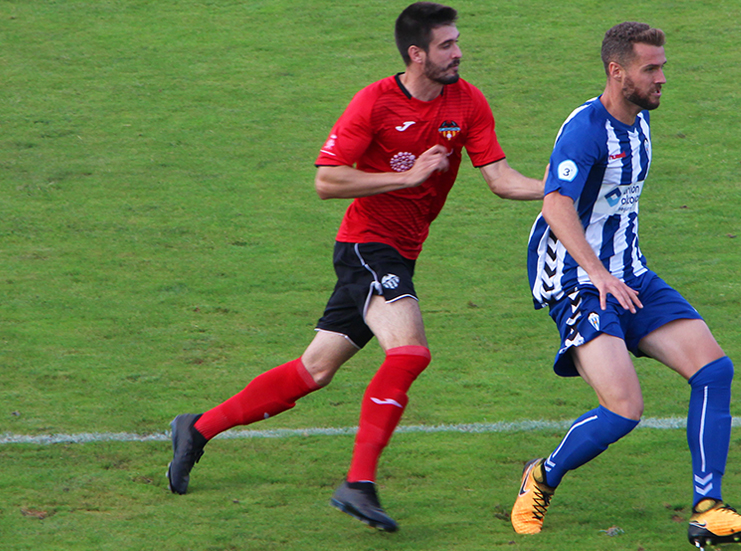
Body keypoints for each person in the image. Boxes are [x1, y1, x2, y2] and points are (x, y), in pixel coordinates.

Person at [166, 2, 543, 533]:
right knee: (409, 351)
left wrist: (562, 185)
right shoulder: (375, 103)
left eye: (458, 42)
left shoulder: (468, 101)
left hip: (401, 252)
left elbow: (501, 179)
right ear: (417, 54)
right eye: (446, 45)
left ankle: (197, 429)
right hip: (368, 245)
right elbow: (327, 180)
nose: (459, 52)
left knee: (313, 371)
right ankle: (359, 482)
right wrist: (405, 179)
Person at [511, 22, 741, 547]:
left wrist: (618, 271)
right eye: (650, 69)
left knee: (713, 369)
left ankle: (708, 508)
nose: (661, 79)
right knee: (624, 409)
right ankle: (541, 476)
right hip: (576, 280)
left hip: (630, 273)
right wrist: (598, 274)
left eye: (662, 68)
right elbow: (556, 205)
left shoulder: (638, 121)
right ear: (617, 71)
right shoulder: (587, 128)